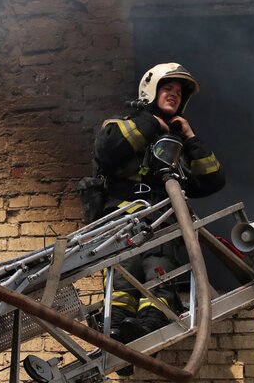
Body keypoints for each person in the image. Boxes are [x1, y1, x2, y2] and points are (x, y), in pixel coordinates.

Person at [93, 62, 225, 343]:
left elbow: (212, 180)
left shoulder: (179, 144)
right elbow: (107, 151)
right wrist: (151, 123)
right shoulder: (119, 126)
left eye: (179, 92)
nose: (174, 94)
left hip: (161, 224)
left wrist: (190, 139)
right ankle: (115, 326)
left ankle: (149, 324)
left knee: (159, 274)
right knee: (123, 276)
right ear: (151, 90)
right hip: (121, 222)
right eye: (168, 88)